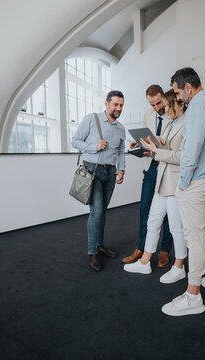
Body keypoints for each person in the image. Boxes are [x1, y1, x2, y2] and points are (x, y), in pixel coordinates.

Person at [161, 67, 205, 316]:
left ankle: (193, 295)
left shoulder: (198, 106)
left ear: (188, 87)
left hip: (197, 181)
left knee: (194, 237)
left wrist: (182, 183)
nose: (178, 98)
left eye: (178, 93)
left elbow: (192, 149)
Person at [123, 90, 187, 284]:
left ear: (180, 104)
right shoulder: (170, 121)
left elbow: (182, 156)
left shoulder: (187, 123)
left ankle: (179, 267)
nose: (163, 110)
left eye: (167, 106)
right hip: (161, 178)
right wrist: (149, 145)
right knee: (152, 221)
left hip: (175, 181)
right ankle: (144, 263)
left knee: (176, 227)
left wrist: (156, 151)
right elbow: (165, 143)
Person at [71, 90, 126, 272]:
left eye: (121, 105)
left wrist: (121, 169)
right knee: (96, 212)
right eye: (115, 104)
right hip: (91, 171)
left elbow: (120, 152)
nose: (118, 108)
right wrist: (94, 147)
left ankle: (100, 245)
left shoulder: (121, 128)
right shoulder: (91, 119)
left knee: (102, 212)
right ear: (107, 104)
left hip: (110, 173)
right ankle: (93, 252)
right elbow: (75, 141)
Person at [122, 85, 174, 267]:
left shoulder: (174, 112)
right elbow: (147, 139)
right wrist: (140, 146)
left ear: (163, 97)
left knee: (168, 213)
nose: (157, 107)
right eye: (152, 104)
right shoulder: (148, 115)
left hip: (167, 168)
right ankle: (141, 248)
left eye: (159, 102)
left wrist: (159, 146)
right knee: (144, 209)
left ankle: (164, 251)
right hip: (151, 167)